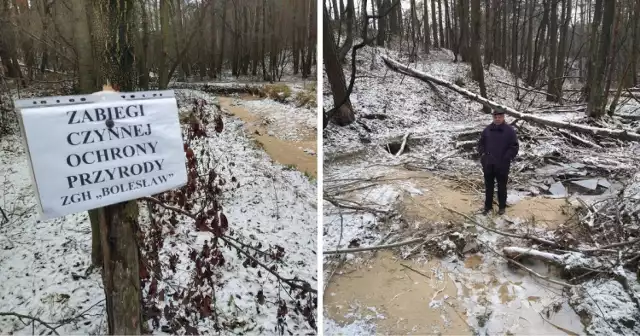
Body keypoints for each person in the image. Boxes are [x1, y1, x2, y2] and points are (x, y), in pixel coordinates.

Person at [477, 110, 519, 215]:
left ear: (503, 117)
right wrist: (483, 155)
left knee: (502, 186)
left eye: (499, 116)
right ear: (493, 117)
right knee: (488, 186)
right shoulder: (487, 130)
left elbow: (514, 146)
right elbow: (480, 144)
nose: (497, 118)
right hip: (488, 164)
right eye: (495, 117)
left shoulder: (509, 131)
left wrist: (506, 158)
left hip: (502, 164)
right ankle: (487, 207)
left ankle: (502, 207)